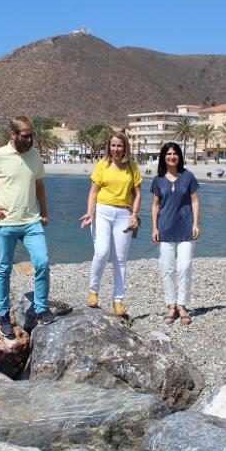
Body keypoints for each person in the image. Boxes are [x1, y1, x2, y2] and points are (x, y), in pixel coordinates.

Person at [0, 117, 55, 339]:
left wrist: (44, 212)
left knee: (42, 262)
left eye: (31, 134)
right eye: (25, 135)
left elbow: (39, 184)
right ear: (13, 134)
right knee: (4, 269)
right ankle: (4, 315)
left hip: (32, 221)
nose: (30, 139)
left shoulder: (34, 155)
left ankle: (41, 308)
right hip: (6, 224)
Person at [80, 131, 142, 316]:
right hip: (102, 213)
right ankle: (93, 292)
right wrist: (90, 213)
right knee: (101, 252)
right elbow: (93, 192)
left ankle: (118, 301)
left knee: (120, 260)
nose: (116, 149)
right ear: (109, 147)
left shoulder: (132, 167)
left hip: (124, 214)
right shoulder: (102, 165)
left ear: (125, 147)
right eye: (113, 145)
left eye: (119, 145)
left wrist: (135, 215)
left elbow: (138, 194)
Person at [150, 142, 200, 325]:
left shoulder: (188, 177)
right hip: (165, 229)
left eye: (175, 153)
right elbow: (155, 205)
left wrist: (196, 223)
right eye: (169, 153)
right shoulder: (158, 180)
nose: (172, 156)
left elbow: (194, 201)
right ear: (164, 157)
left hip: (186, 228)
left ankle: (183, 305)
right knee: (167, 269)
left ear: (180, 156)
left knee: (185, 267)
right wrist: (154, 228)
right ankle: (171, 305)